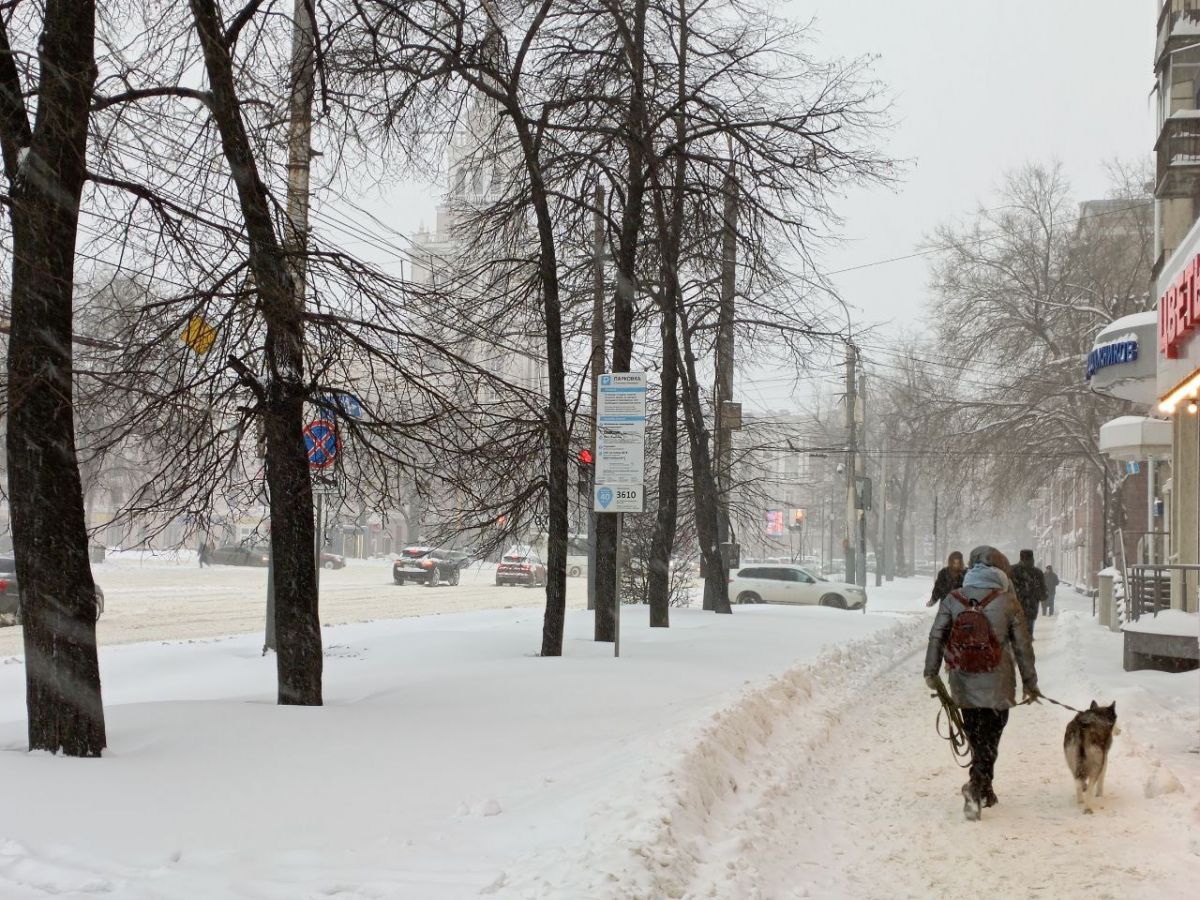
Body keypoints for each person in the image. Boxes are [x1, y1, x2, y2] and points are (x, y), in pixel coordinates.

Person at [924, 545, 1039, 821]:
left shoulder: (953, 599)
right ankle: (977, 785)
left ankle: (983, 787)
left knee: (976, 734)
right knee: (991, 736)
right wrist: (1030, 682)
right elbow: (1023, 646)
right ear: (1000, 572)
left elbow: (937, 636)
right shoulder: (1009, 601)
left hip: (962, 679)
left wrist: (931, 671)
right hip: (999, 681)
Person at [1010, 549, 1047, 639]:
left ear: (1021, 558)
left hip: (1014, 608)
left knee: (1015, 636)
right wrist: (1036, 594)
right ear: (1032, 558)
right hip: (1031, 607)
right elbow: (1043, 594)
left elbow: (1006, 588)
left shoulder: (1012, 570)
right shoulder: (1037, 572)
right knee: (1027, 635)